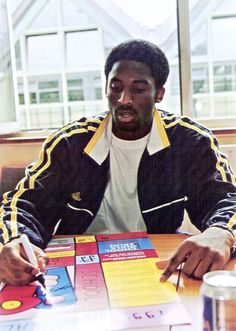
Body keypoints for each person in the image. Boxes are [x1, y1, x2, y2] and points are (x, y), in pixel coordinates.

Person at [0, 39, 236, 286]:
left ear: (159, 94)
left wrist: (223, 232)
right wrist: (15, 239)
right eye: (116, 86)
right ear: (106, 89)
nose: (124, 99)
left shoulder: (190, 141)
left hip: (155, 264)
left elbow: (227, 198)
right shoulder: (70, 143)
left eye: (139, 89)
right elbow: (24, 203)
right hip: (80, 271)